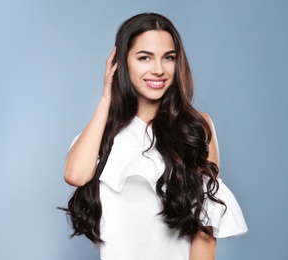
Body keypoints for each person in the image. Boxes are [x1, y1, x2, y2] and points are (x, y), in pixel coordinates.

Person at [61, 13, 247, 260]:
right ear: (122, 63)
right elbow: (75, 175)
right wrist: (107, 97)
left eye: (168, 58)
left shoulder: (196, 128)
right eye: (144, 57)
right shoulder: (101, 136)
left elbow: (205, 230)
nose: (158, 70)